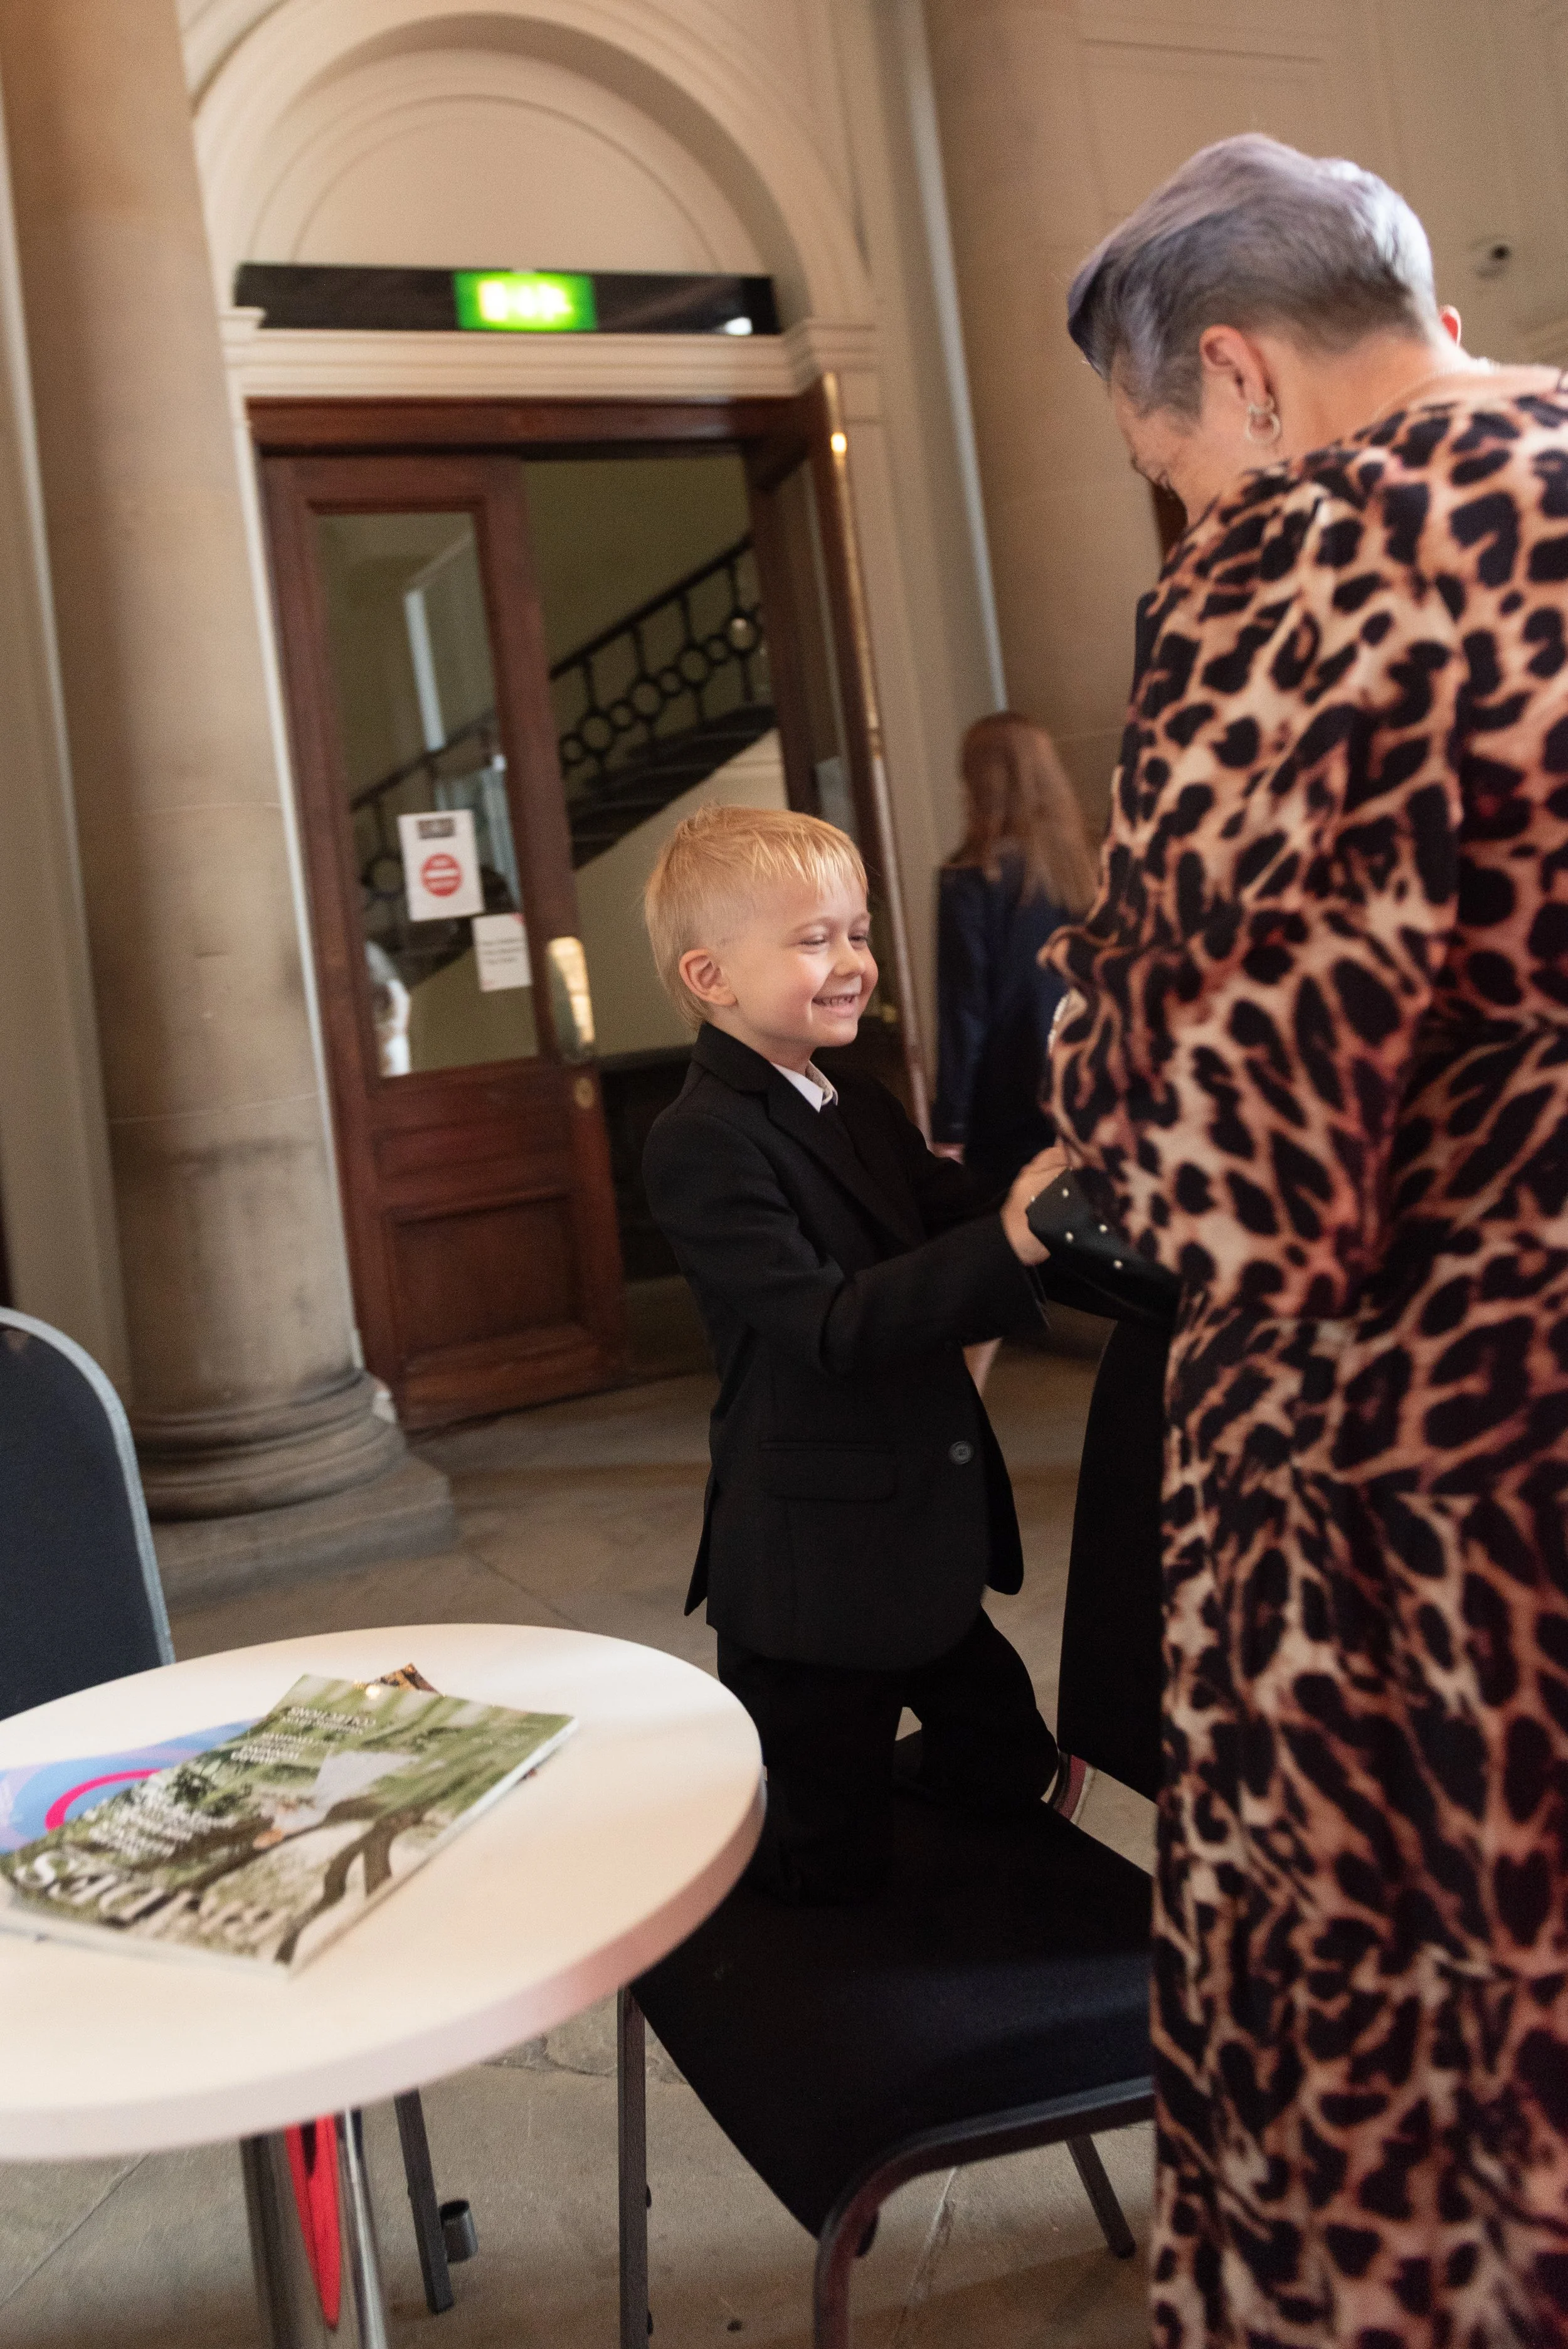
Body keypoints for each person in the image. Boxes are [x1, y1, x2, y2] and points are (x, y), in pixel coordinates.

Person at [1042, 131, 1568, 2346]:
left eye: (1158, 447)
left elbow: (1228, 1162)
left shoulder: (1316, 563)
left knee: (1420, 2139)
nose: (1178, 498)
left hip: (1426, 1536)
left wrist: (1089, 1053)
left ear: (1242, 380)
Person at [640, 802, 1077, 1905]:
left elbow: (958, 1211)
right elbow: (832, 1326)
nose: (853, 963)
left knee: (1010, 1756)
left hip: (910, 1542)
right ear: (711, 977)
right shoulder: (702, 1137)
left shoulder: (851, 1095)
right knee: (823, 1847)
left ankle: (978, 1938)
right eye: (812, 939)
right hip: (812, 1576)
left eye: (858, 932)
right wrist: (1009, 1239)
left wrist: (1063, 1189)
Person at [931, 713, 1098, 1389]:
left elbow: (963, 1009)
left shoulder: (969, 878)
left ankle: (955, 1408)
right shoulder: (1083, 875)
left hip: (1003, 1100)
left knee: (988, 1261)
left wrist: (949, 1127)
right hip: (1080, 1084)